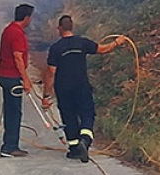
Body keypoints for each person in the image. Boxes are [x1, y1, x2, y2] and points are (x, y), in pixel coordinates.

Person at [42, 15, 127, 163]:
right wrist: (117, 42)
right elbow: (102, 49)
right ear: (72, 27)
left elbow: (50, 73)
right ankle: (85, 141)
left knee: (69, 117)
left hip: (63, 89)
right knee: (87, 112)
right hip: (81, 86)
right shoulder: (82, 43)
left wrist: (46, 96)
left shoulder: (56, 48)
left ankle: (74, 149)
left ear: (59, 29)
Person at [0, 3, 34, 157]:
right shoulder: (17, 34)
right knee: (14, 112)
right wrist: (26, 79)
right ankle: (10, 146)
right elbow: (18, 57)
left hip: (3, 75)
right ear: (26, 18)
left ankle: (10, 143)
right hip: (12, 77)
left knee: (10, 109)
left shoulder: (9, 30)